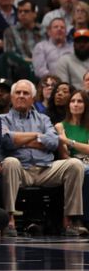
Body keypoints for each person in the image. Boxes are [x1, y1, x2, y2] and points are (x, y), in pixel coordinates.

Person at [0, 79, 86, 236]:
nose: (21, 96)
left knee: (75, 164)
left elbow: (53, 142)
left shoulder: (43, 119)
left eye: (25, 93)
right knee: (10, 162)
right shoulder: (2, 119)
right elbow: (6, 141)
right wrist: (37, 135)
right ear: (12, 97)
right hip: (20, 170)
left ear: (33, 98)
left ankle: (69, 221)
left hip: (45, 169)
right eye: (17, 93)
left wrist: (21, 142)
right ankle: (9, 220)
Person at [55, 90, 89, 224]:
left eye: (79, 101)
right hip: (72, 164)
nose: (75, 104)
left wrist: (69, 142)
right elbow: (64, 155)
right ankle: (82, 220)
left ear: (86, 105)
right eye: (72, 101)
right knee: (85, 172)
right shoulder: (60, 126)